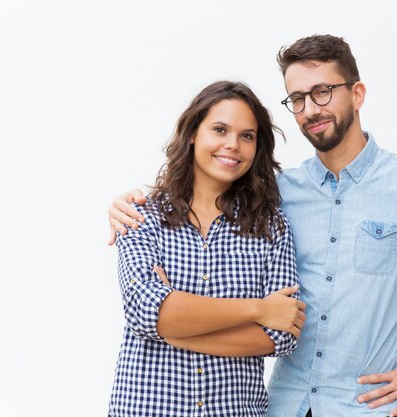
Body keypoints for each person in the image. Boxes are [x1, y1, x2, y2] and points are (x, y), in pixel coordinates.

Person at [107, 36, 397, 417]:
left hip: (374, 407)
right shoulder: (277, 196)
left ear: (357, 94)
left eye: (323, 91)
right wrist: (126, 204)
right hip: (287, 406)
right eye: (298, 98)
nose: (310, 109)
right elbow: (204, 192)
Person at [108, 81, 307, 417]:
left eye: (247, 136)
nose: (233, 145)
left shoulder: (272, 228)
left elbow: (280, 333)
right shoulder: (140, 217)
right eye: (220, 129)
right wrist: (257, 309)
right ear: (192, 134)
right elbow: (147, 311)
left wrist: (175, 325)